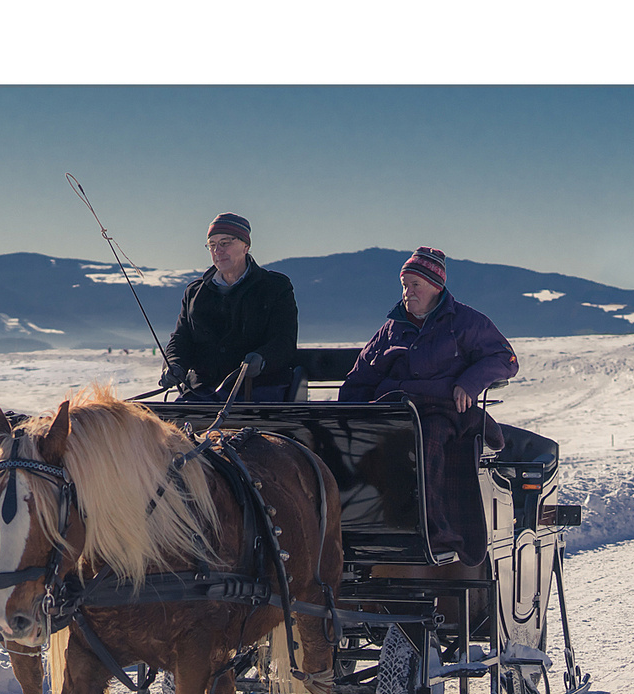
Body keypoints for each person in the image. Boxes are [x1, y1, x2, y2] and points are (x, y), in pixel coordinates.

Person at [339, 247, 518, 564]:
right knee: (357, 445)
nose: (408, 293)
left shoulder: (465, 321)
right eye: (404, 285)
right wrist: (348, 417)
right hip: (393, 409)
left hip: (442, 410)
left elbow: (505, 358)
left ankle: (432, 530)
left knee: (426, 440)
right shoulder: (391, 329)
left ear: (436, 286)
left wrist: (471, 381)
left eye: (415, 285)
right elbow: (361, 376)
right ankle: (354, 527)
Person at [161, 213, 298, 401]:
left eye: (225, 243)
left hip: (259, 389)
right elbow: (181, 338)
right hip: (201, 391)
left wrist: (262, 359)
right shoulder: (194, 293)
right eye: (212, 245)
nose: (218, 250)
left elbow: (284, 340)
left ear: (246, 246)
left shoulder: (275, 287)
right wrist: (174, 364)